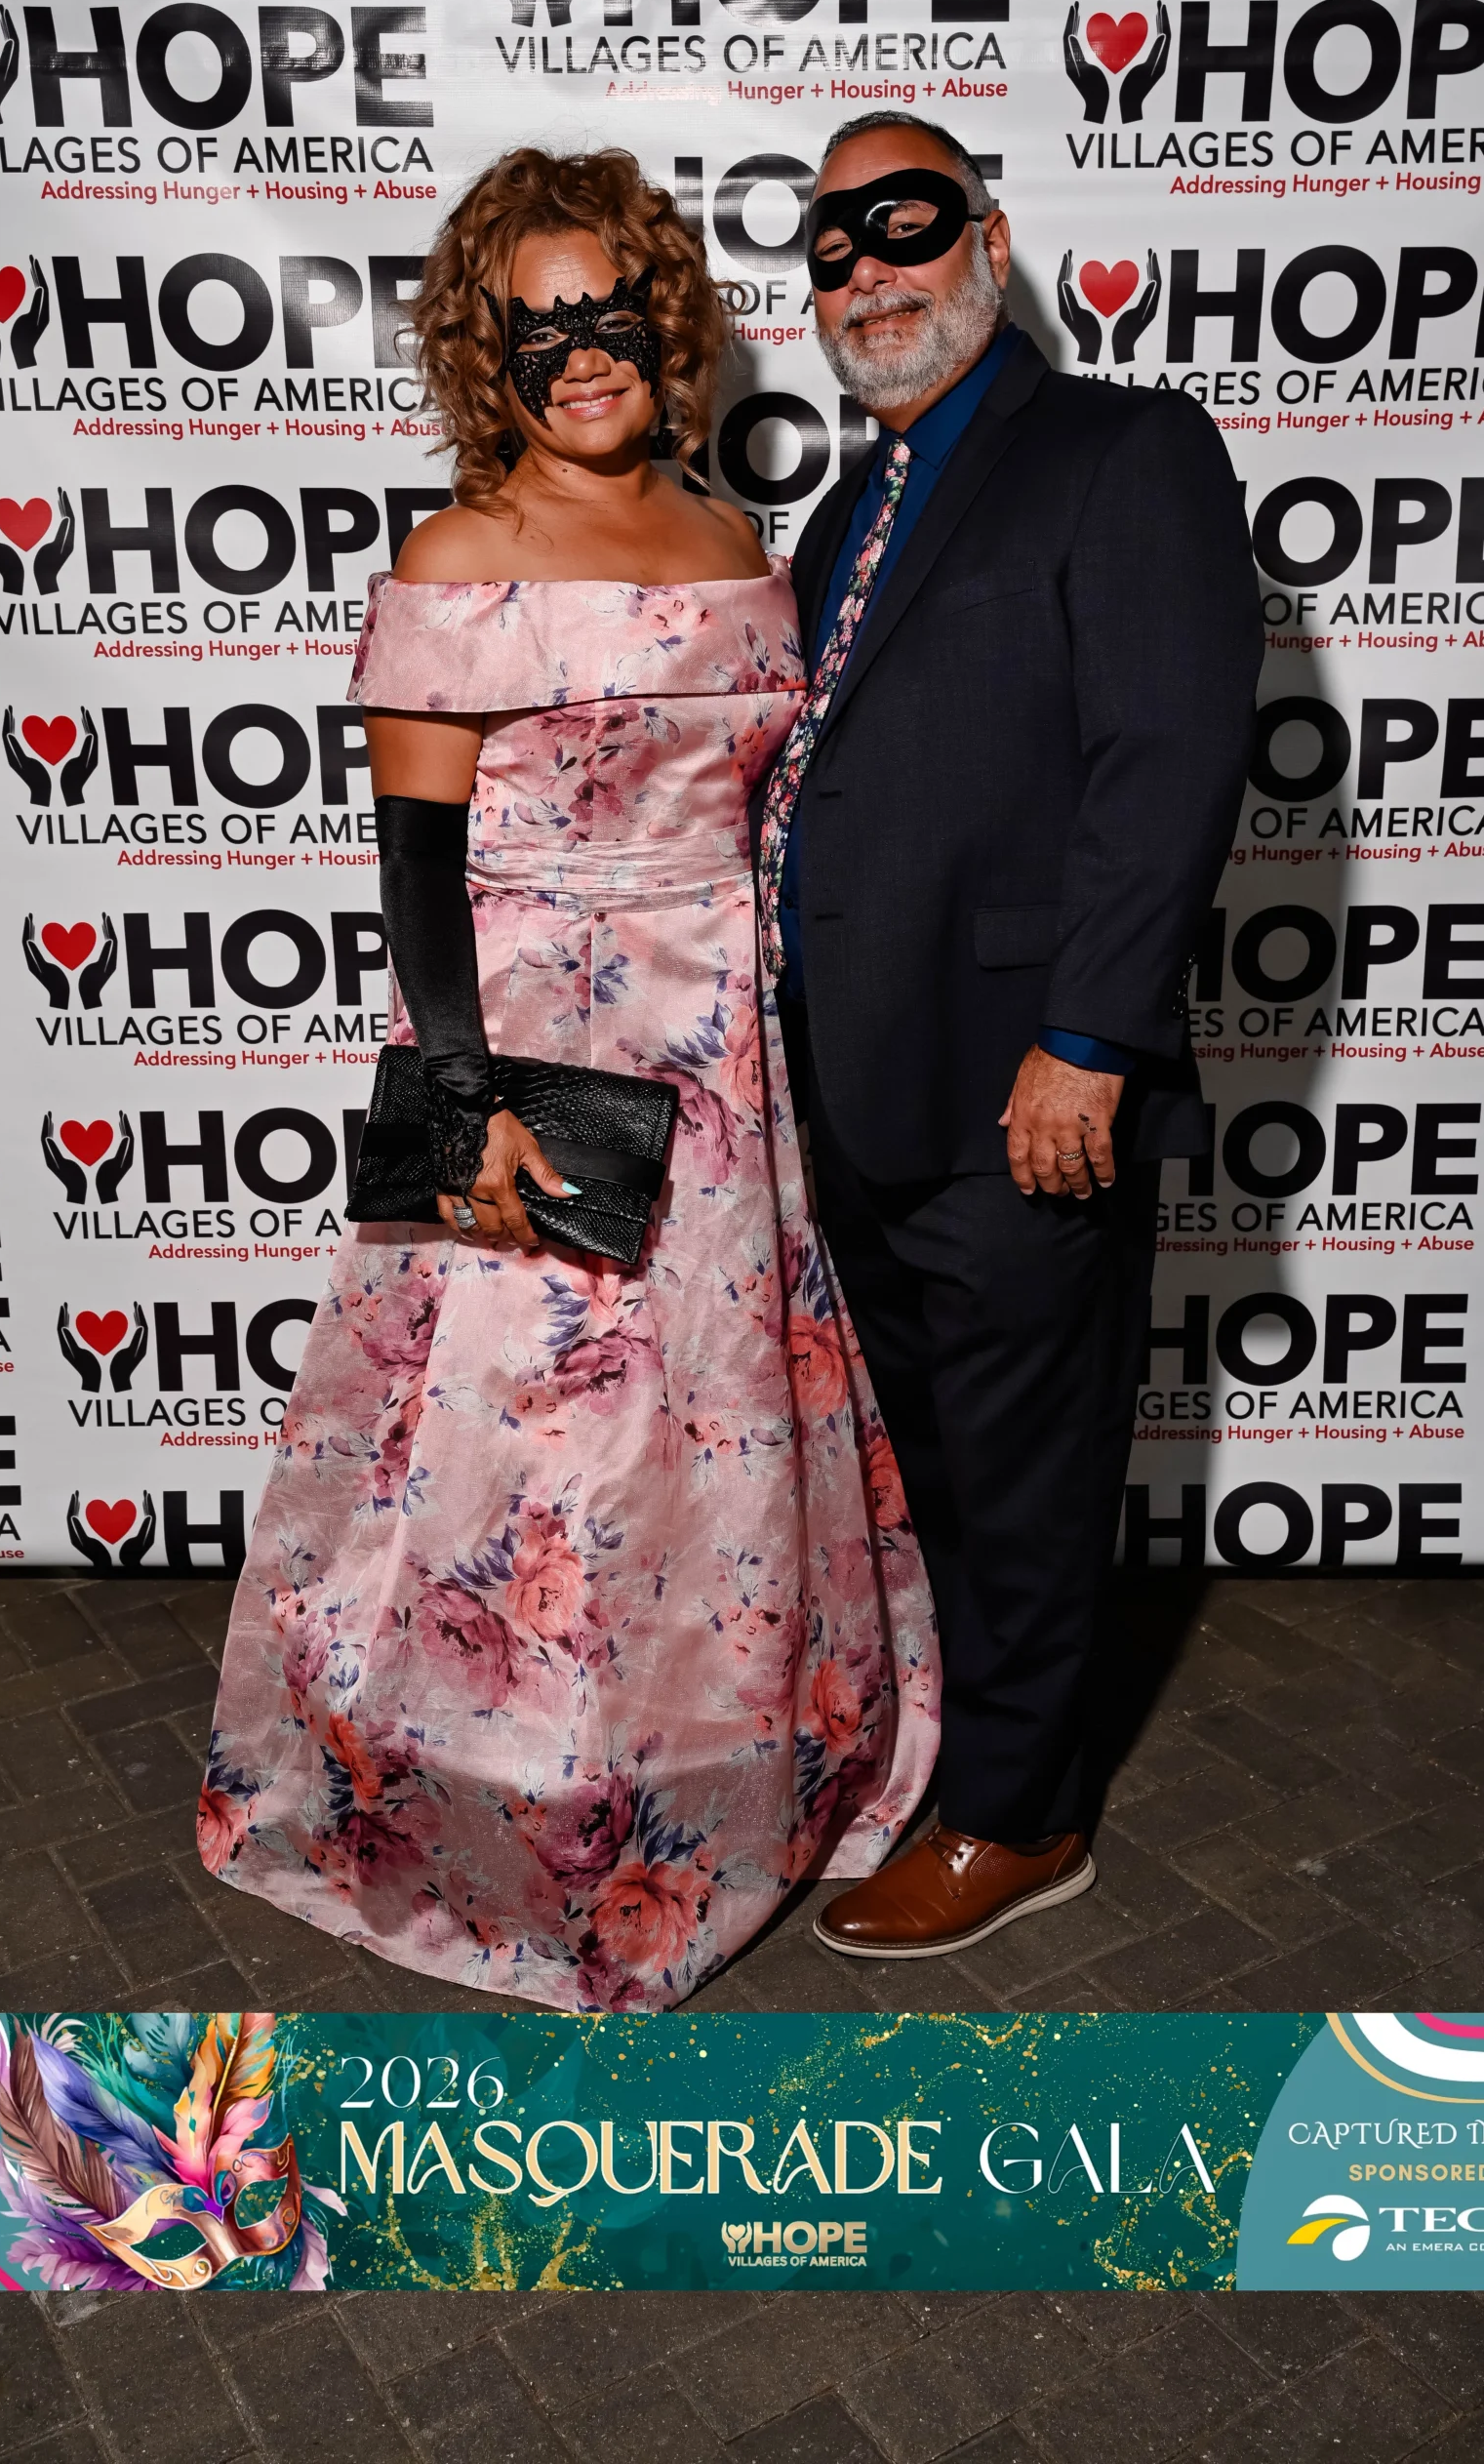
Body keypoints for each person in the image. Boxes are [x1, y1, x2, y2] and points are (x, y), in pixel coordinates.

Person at [197, 146, 938, 2012]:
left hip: (726, 1051)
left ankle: (702, 1786)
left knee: (709, 1434)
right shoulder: (461, 558)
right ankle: (502, 1823)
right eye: (537, 327)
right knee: (525, 1445)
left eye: (609, 310)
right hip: (537, 1043)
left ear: (664, 322)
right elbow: (415, 872)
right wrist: (469, 1102)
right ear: (486, 353)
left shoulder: (733, 538)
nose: (582, 352)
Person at [762, 112, 1262, 1959]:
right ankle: (976, 1755)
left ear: (986, 238)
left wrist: (1091, 1038)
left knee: (1031, 1470)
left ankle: (1021, 1818)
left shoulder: (1122, 449)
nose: (866, 272)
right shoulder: (847, 514)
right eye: (831, 247)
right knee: (948, 1467)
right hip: (862, 1078)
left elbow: (1166, 757)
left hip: (1023, 1083)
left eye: (904, 225)